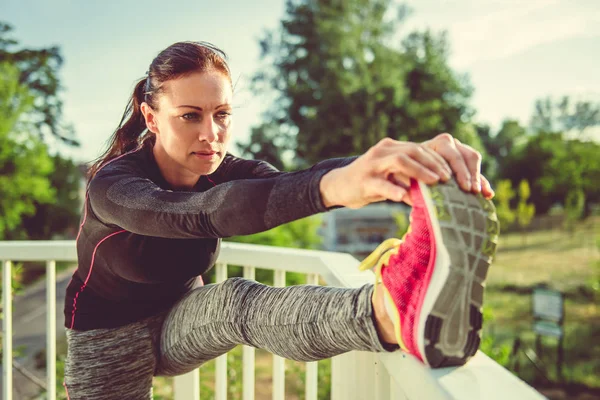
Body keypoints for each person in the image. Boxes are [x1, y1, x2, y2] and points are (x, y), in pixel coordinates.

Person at [63, 41, 498, 399]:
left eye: (222, 114)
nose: (210, 134)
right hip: (107, 337)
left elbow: (292, 183)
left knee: (235, 301)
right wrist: (332, 189)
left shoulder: (223, 168)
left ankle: (390, 311)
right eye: (190, 115)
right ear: (151, 116)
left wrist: (397, 162)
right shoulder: (114, 185)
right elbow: (199, 214)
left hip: (181, 316)